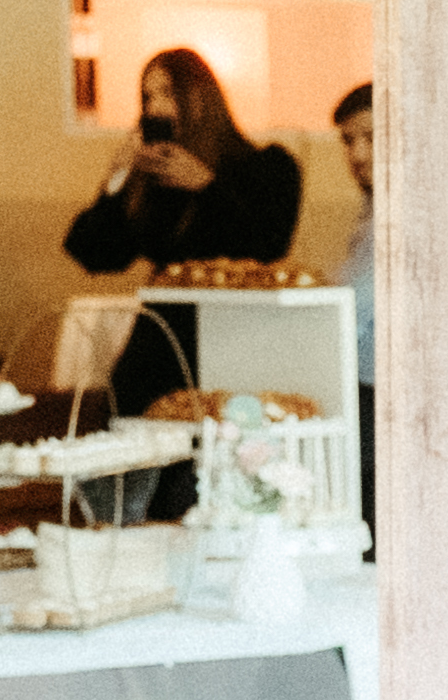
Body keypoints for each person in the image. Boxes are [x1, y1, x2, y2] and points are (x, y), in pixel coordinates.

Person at [62, 49, 306, 489]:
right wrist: (117, 180)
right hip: (161, 342)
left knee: (217, 474)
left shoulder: (266, 166)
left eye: (167, 94)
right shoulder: (158, 185)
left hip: (234, 337)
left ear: (201, 99)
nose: (154, 107)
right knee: (136, 463)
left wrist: (209, 187)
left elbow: (270, 244)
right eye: (147, 95)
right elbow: (94, 253)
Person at [329, 79, 379, 535]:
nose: (357, 154)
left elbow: (357, 301)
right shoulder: (370, 209)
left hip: (383, 393)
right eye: (348, 141)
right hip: (364, 384)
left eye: (371, 137)